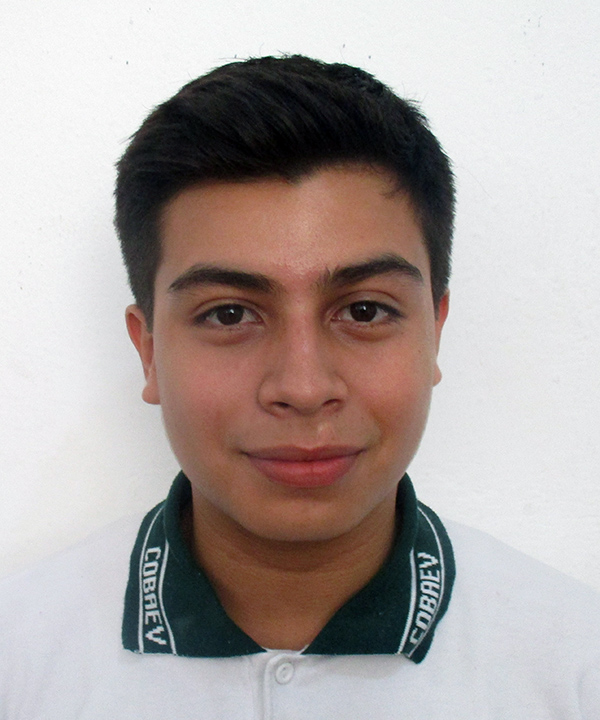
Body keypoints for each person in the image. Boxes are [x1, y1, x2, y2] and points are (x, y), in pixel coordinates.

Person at [0, 55, 598, 719]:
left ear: (434, 331)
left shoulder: (574, 665)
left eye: (364, 310)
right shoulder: (19, 659)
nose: (304, 387)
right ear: (149, 353)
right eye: (230, 314)